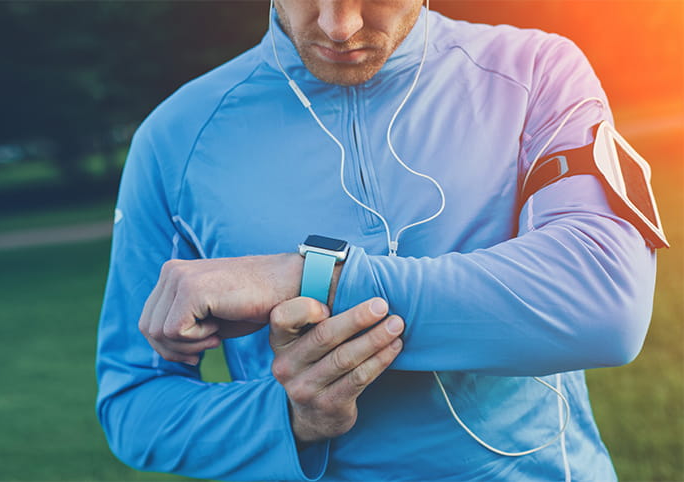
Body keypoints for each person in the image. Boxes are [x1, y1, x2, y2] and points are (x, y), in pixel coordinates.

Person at [96, 0, 660, 480]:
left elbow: (606, 304)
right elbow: (134, 403)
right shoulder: (175, 138)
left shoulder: (537, 71)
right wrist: (286, 418)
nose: (339, 25)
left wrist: (306, 277)